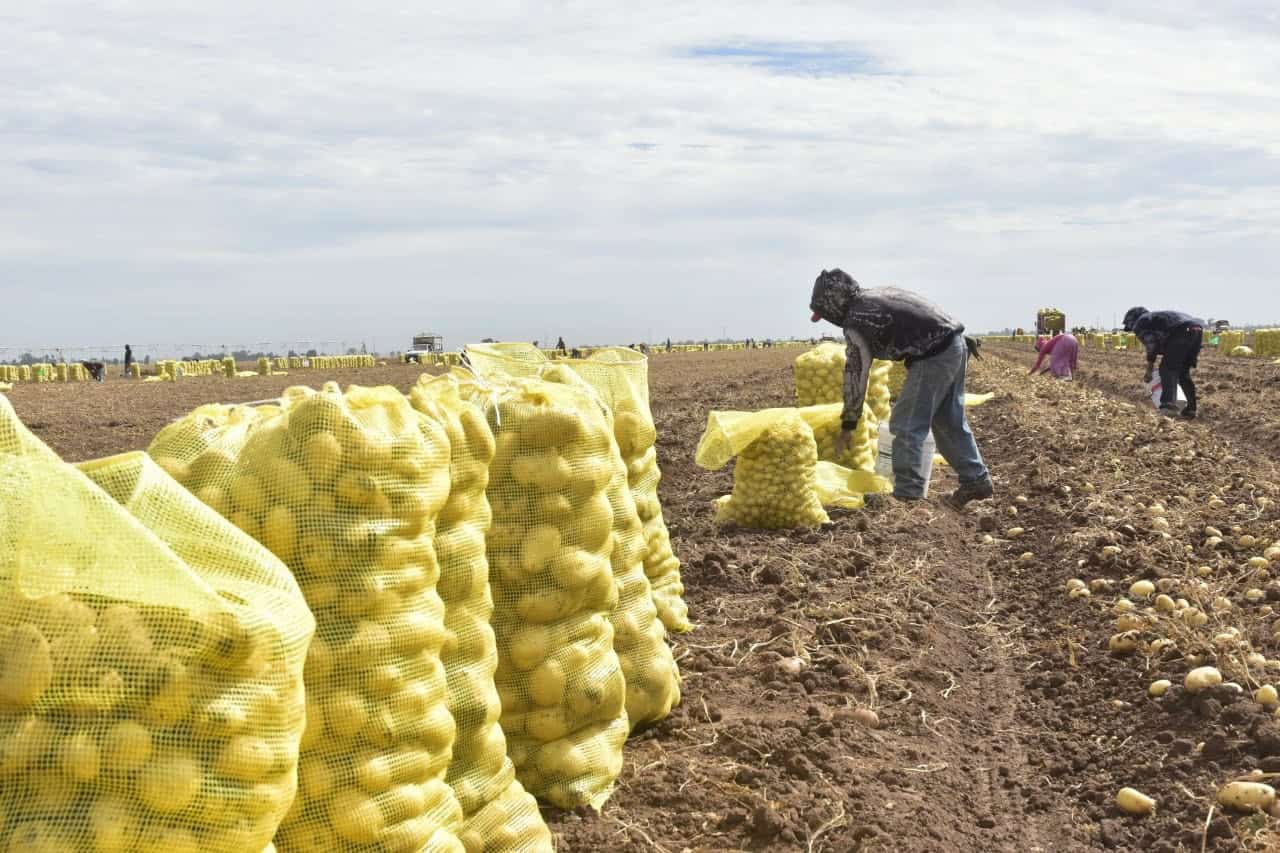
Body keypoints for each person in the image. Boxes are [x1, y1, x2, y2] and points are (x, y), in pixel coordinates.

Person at [809, 268, 993, 509]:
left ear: (833, 302)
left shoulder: (857, 320)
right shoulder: (877, 294)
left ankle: (909, 495)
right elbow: (921, 312)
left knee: (906, 424)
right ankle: (976, 480)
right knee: (948, 420)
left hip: (934, 354)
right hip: (954, 343)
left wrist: (849, 423)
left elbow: (856, 373)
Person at [1122, 306, 1204, 419]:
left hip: (1181, 331)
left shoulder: (1141, 322)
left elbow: (1152, 345)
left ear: (1132, 321)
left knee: (1167, 369)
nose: (1133, 330)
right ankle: (1191, 409)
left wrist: (1149, 369)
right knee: (1183, 373)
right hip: (1196, 330)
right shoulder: (1157, 318)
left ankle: (1168, 405)